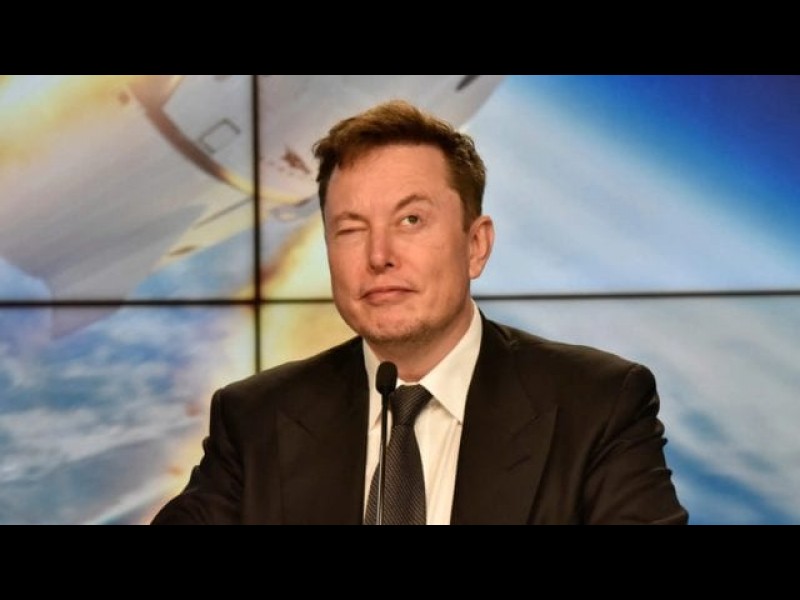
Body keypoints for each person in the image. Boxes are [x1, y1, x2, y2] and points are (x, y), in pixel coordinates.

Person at [151, 99, 688, 525]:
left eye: (411, 220)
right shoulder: (255, 418)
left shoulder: (599, 405)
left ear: (475, 245)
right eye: (351, 228)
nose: (379, 255)